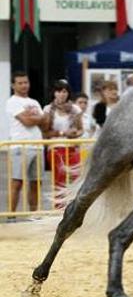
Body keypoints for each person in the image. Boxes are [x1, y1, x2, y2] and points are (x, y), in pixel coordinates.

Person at [5, 71, 45, 214]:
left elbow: (45, 122)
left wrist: (35, 117)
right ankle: (11, 216)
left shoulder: (34, 102)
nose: (24, 85)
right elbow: (27, 122)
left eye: (26, 82)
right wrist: (37, 117)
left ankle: (33, 216)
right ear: (13, 85)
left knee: (36, 183)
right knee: (17, 182)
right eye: (20, 83)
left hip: (37, 146)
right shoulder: (12, 102)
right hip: (20, 146)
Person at [41, 80, 84, 208]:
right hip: (55, 147)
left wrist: (76, 133)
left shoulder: (75, 108)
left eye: (64, 91)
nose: (61, 94)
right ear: (54, 93)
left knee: (76, 178)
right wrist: (63, 133)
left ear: (68, 93)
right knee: (59, 180)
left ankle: (73, 208)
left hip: (72, 147)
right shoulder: (48, 109)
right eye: (59, 91)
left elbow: (81, 129)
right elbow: (45, 133)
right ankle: (58, 209)